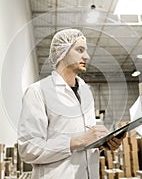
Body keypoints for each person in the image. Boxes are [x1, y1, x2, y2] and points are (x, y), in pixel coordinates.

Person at [17, 28, 126, 179]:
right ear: (61, 50)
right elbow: (28, 149)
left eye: (86, 51)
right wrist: (77, 141)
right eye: (80, 50)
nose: (86, 56)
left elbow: (86, 138)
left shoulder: (86, 92)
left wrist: (102, 143)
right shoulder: (38, 92)